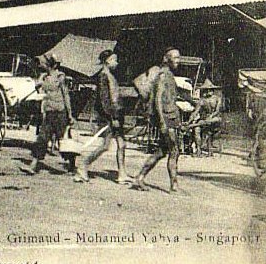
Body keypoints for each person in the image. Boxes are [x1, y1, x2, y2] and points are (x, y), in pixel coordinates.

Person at [74, 50, 131, 184]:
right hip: (110, 116)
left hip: (117, 114)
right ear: (107, 61)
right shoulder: (103, 76)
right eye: (114, 60)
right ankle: (83, 166)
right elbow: (105, 100)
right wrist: (113, 118)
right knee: (106, 145)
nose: (116, 63)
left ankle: (122, 174)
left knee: (122, 144)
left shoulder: (109, 75)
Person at [133, 47, 183, 193]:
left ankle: (140, 177)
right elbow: (158, 100)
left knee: (162, 151)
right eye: (175, 58)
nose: (178, 61)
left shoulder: (169, 75)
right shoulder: (162, 76)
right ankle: (174, 186)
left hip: (171, 117)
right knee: (174, 151)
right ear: (167, 59)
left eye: (179, 58)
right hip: (167, 119)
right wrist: (162, 122)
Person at [21, 53, 74, 175]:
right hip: (49, 112)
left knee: (63, 141)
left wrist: (70, 114)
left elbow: (66, 95)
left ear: (51, 64)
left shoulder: (60, 77)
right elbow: (38, 88)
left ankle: (72, 164)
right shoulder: (45, 77)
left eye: (44, 63)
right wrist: (40, 78)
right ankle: (33, 166)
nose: (42, 64)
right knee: (42, 139)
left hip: (60, 113)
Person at [185, 79, 223, 157]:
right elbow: (195, 112)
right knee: (197, 129)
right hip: (203, 120)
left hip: (215, 118)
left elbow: (217, 111)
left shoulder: (217, 98)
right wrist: (189, 122)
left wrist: (211, 116)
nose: (208, 92)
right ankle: (199, 149)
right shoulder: (202, 100)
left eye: (210, 90)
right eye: (206, 90)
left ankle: (209, 148)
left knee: (210, 124)